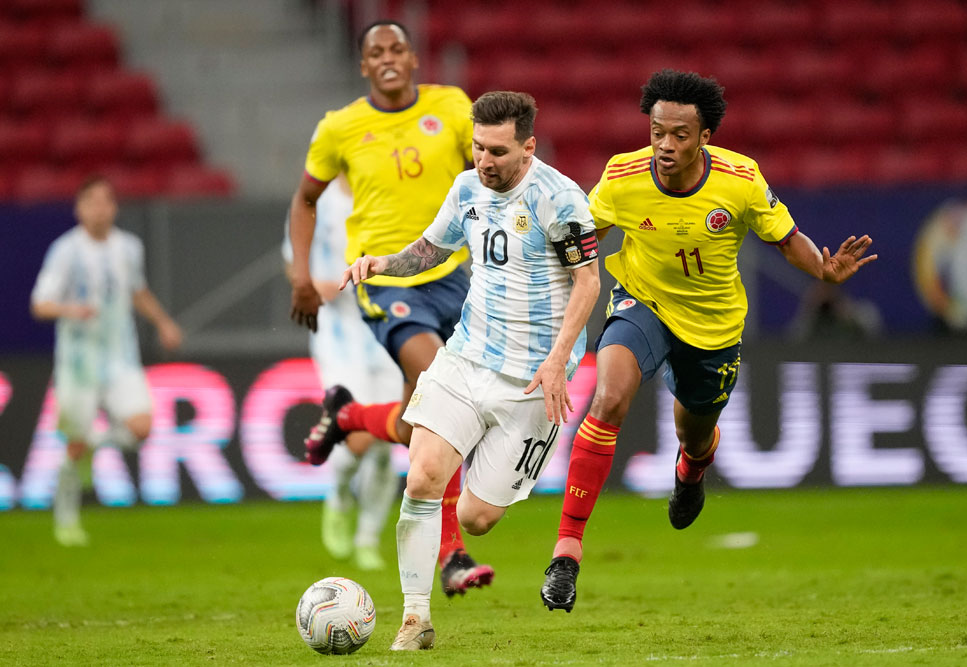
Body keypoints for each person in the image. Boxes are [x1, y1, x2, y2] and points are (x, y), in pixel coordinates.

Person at [539, 69, 878, 612]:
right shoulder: (622, 177)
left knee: (693, 432)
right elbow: (584, 239)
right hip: (641, 302)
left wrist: (822, 268)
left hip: (714, 327)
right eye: (657, 132)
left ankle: (691, 471)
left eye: (678, 135)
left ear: (704, 138)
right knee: (607, 398)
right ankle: (567, 552)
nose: (665, 145)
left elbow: (786, 238)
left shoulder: (740, 180)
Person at [339, 91, 601, 651]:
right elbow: (434, 249)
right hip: (465, 357)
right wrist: (384, 263)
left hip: (533, 380)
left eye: (498, 151)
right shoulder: (466, 187)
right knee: (422, 477)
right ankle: (414, 620)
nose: (484, 160)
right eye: (479, 147)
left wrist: (559, 359)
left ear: (528, 147)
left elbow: (588, 283)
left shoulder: (561, 199)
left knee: (479, 517)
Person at [287, 19, 493, 595]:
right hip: (383, 280)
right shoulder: (341, 128)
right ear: (363, 66)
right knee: (439, 388)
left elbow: (488, 170)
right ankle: (452, 554)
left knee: (413, 425)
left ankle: (348, 416)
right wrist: (302, 275)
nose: (386, 57)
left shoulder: (452, 107)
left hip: (454, 276)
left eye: (396, 48)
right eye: (375, 50)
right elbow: (305, 201)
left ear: (413, 59)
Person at [30, 175, 183, 546]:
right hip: (77, 364)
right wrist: (71, 309)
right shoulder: (65, 250)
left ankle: (94, 441)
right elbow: (40, 304)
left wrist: (163, 322)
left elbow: (137, 291)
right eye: (92, 202)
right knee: (75, 446)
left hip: (120, 357)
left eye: (106, 201)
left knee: (141, 428)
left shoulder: (129, 247)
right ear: (79, 209)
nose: (100, 209)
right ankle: (66, 517)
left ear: (114, 207)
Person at [281, 177, 402, 570]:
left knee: (392, 437)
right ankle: (337, 493)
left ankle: (368, 538)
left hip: (388, 329)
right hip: (339, 335)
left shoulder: (390, 193)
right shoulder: (317, 202)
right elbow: (291, 259)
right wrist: (312, 285)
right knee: (361, 433)